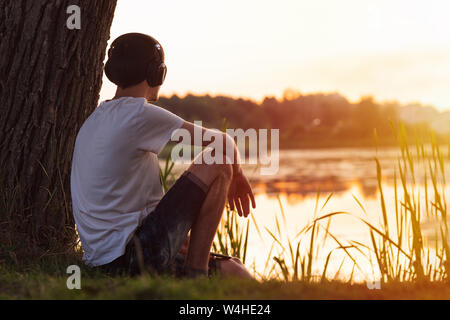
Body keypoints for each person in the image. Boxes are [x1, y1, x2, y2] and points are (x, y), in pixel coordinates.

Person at [70, 33, 256, 278]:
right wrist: (238, 175)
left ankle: (197, 269)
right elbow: (223, 142)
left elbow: (129, 209)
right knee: (220, 162)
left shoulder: (96, 118)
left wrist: (179, 235)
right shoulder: (138, 114)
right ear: (157, 73)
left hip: (105, 260)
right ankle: (196, 276)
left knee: (234, 268)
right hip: (131, 259)